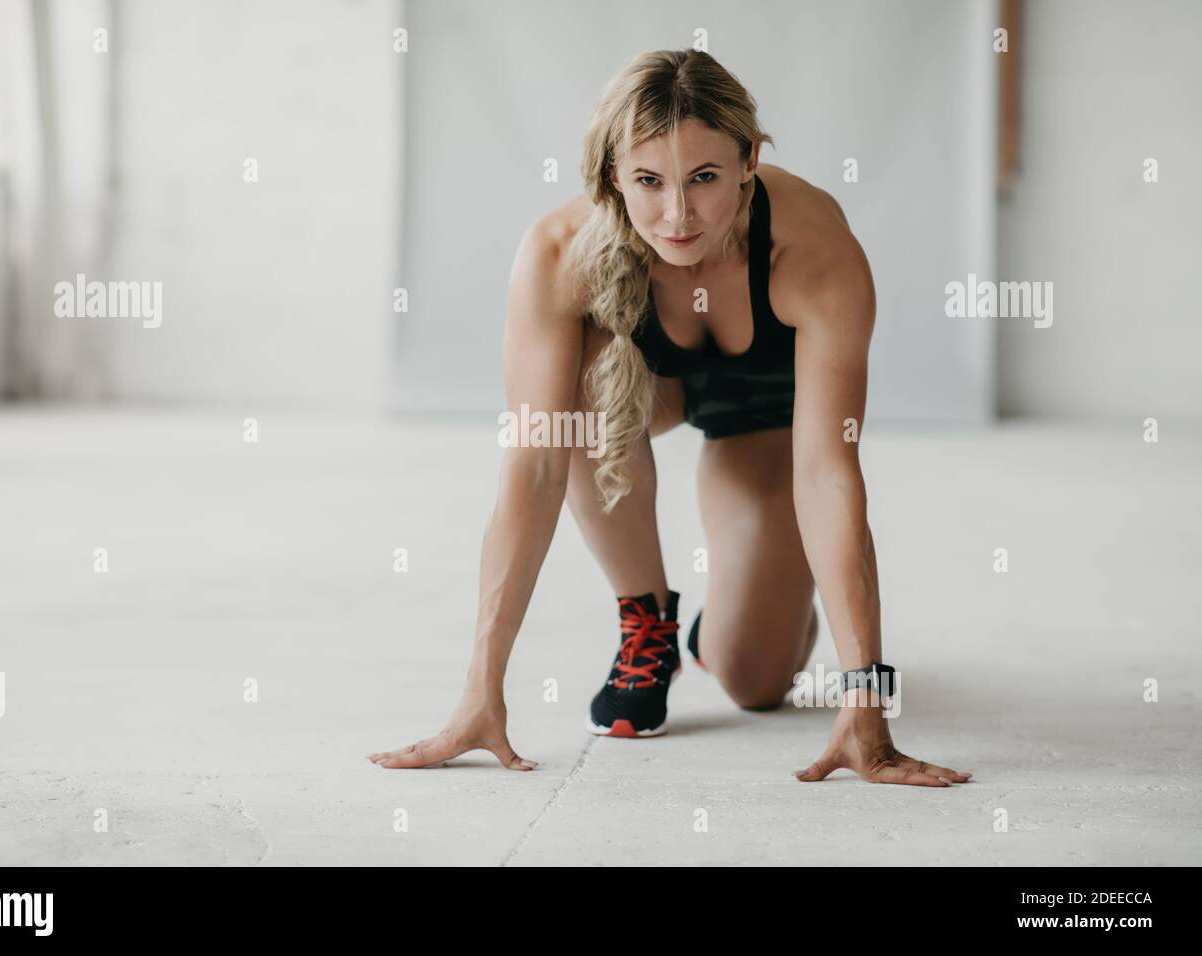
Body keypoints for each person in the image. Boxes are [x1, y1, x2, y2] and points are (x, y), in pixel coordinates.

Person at [369, 49, 971, 787]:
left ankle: (766, 618)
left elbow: (827, 472)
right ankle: (645, 622)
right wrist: (479, 689)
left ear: (748, 160)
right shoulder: (560, 254)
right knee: (572, 414)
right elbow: (533, 466)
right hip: (637, 395)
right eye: (649, 182)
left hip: (762, 419)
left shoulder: (810, 247)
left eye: (705, 179)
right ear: (612, 176)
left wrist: (865, 694)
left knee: (755, 681)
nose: (678, 215)